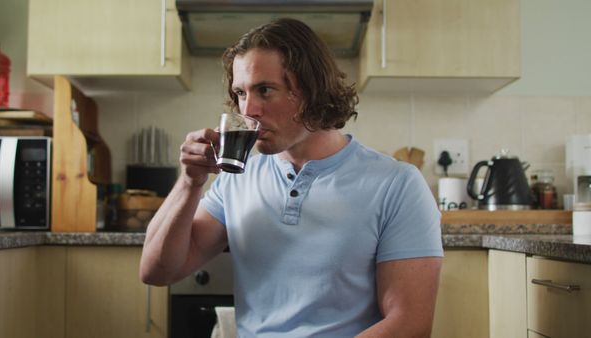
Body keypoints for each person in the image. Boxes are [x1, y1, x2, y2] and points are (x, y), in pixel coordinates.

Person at [140, 18, 443, 337]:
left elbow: (410, 324)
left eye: (265, 90)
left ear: (313, 90)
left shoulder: (397, 184)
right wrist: (190, 182)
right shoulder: (237, 178)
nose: (249, 109)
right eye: (241, 93)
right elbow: (156, 271)